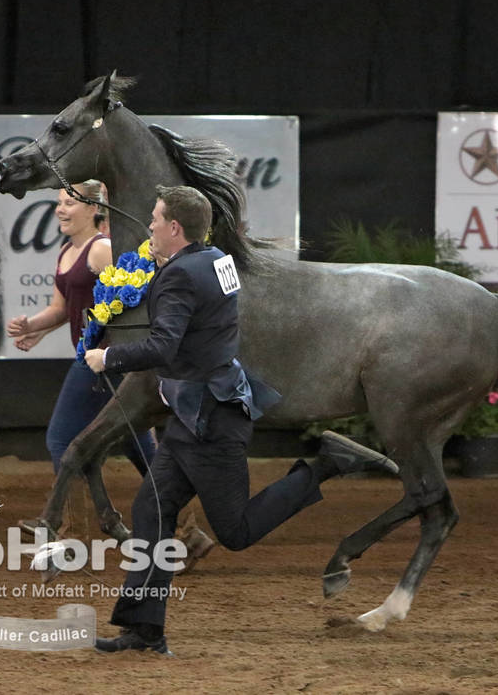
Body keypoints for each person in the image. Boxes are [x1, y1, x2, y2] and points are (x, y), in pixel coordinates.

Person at [85, 185, 388, 655]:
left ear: (174, 228)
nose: (147, 228)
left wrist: (109, 357)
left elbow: (163, 348)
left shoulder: (180, 276)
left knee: (236, 532)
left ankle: (324, 463)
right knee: (152, 511)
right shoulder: (216, 260)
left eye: (154, 220)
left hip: (210, 421)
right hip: (199, 411)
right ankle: (144, 630)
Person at [6, 181, 156, 475]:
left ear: (93, 209)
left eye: (70, 203)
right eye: (60, 202)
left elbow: (138, 294)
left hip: (104, 360)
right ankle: (172, 514)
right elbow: (60, 309)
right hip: (95, 358)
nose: (61, 209)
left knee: (61, 439)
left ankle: (70, 518)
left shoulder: (101, 250)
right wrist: (31, 326)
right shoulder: (65, 252)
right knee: (134, 440)